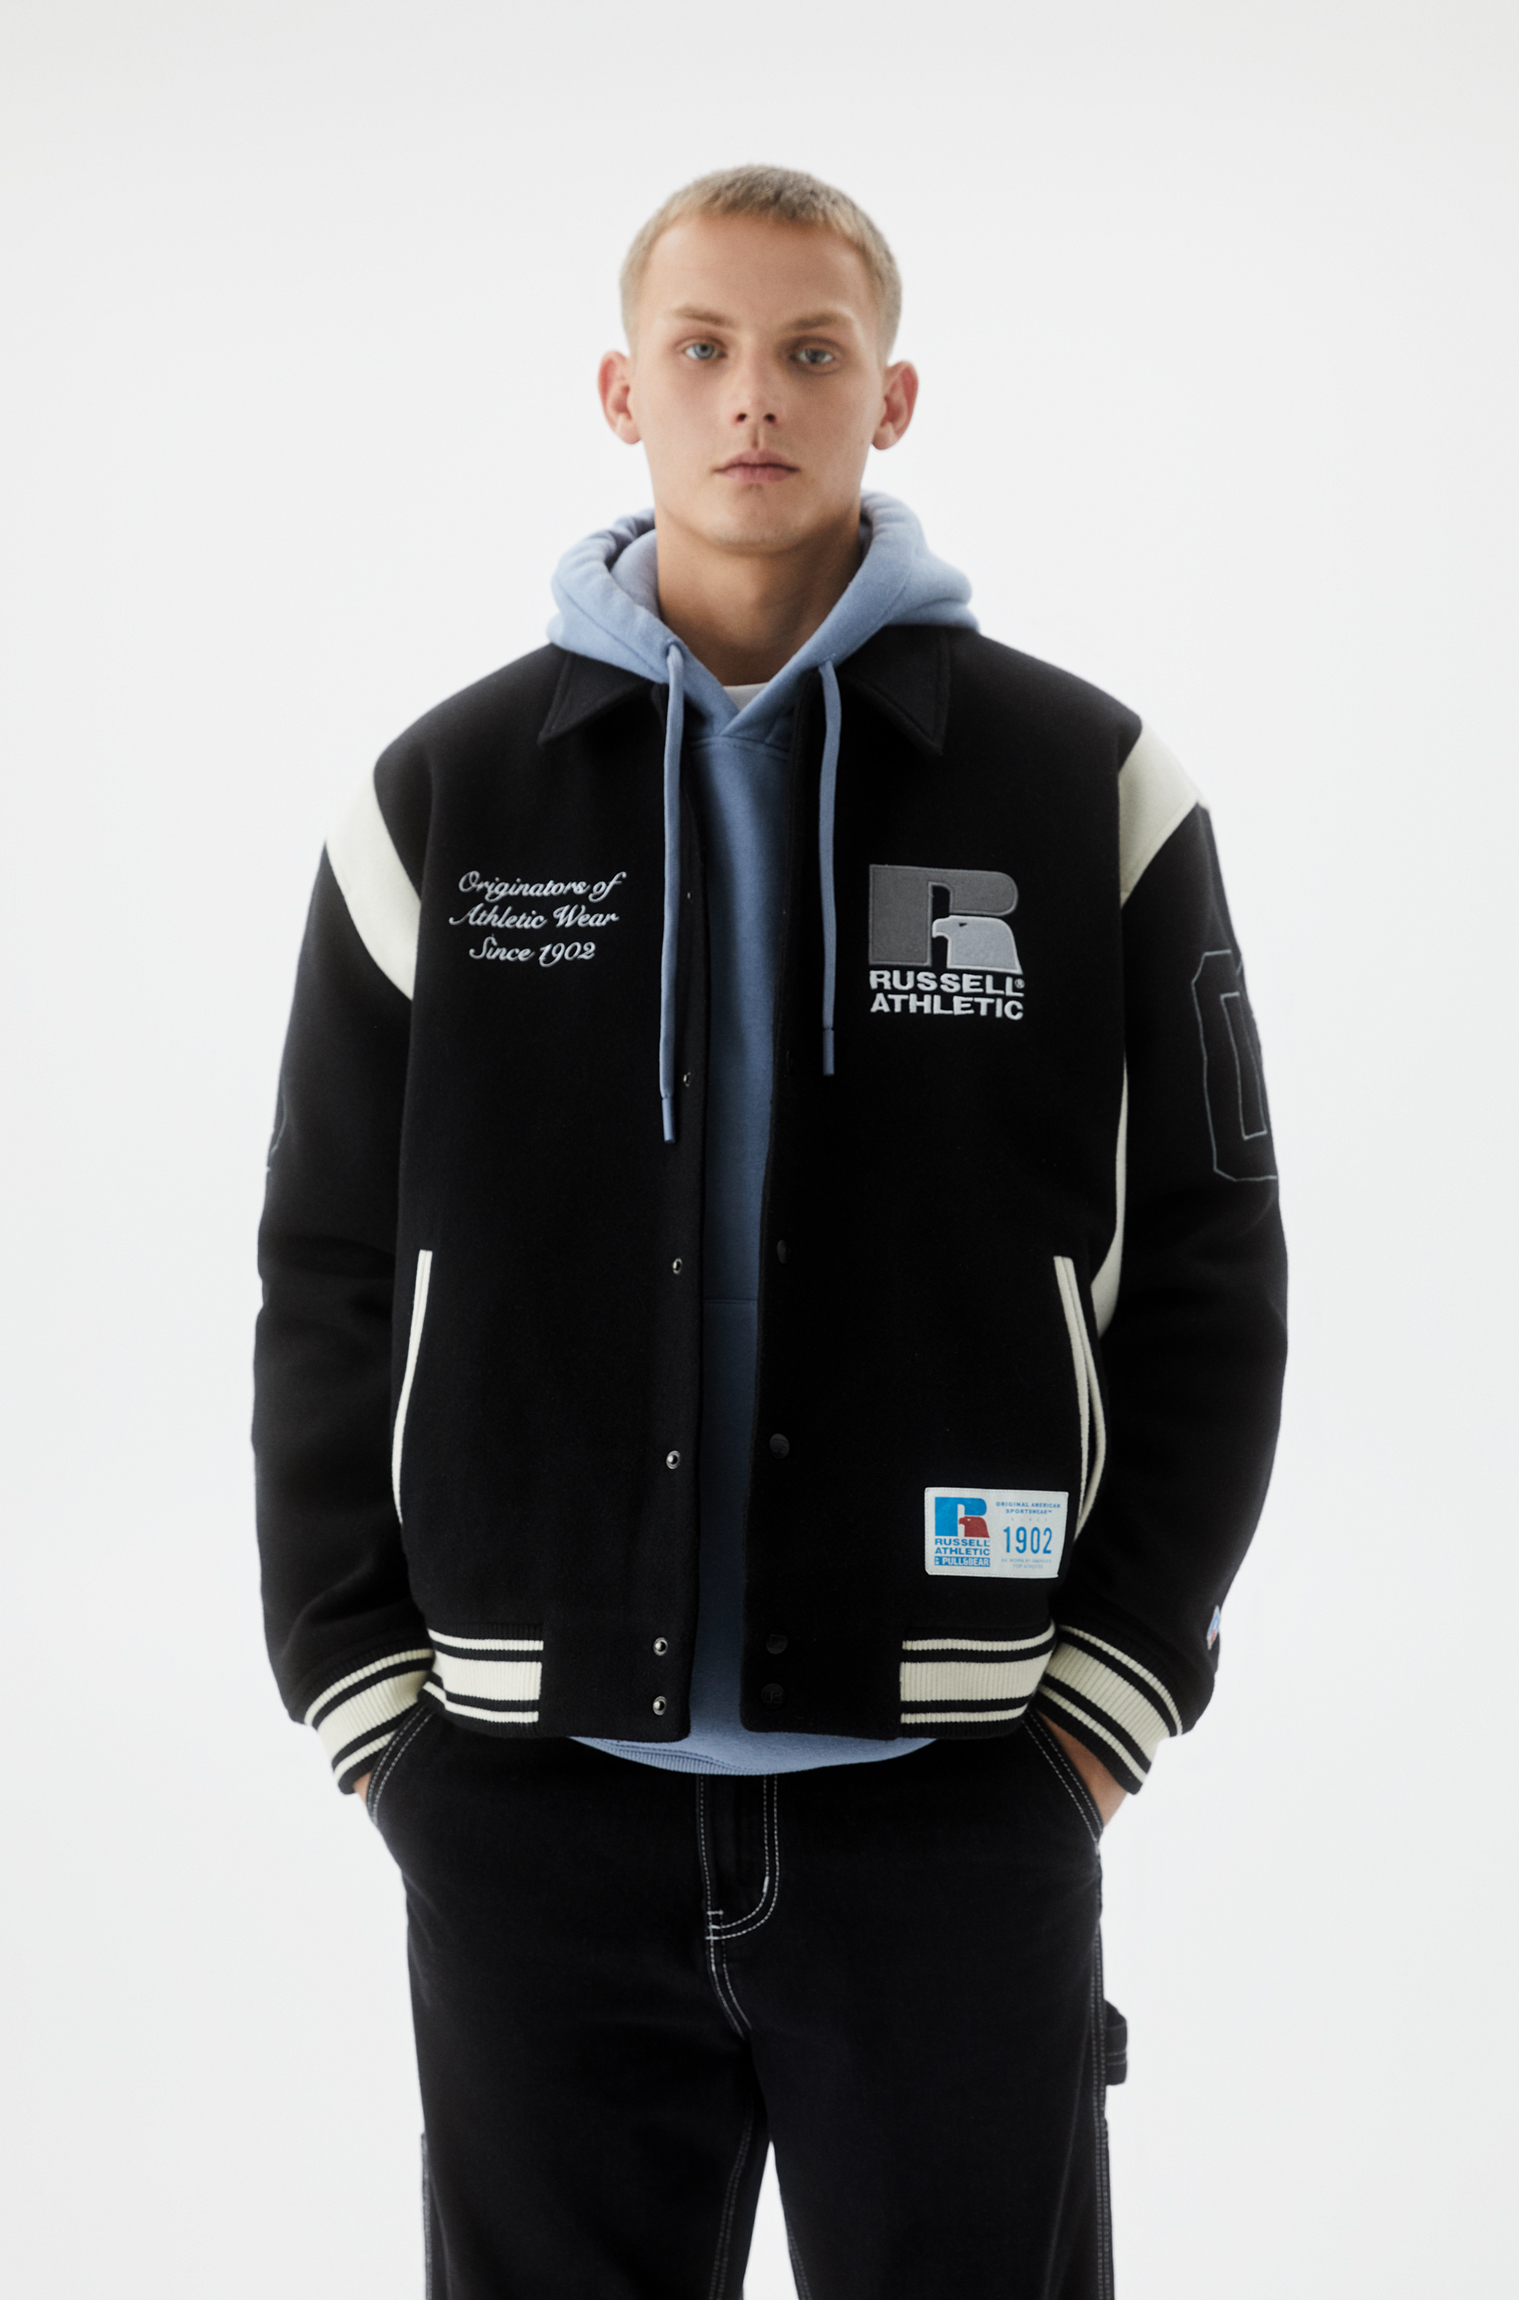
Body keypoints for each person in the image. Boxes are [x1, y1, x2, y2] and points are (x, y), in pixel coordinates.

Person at [253, 164, 1286, 2300]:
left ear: (888, 397)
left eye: (811, 351)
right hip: (529, 1797)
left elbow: (1210, 1263)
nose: (754, 397)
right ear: (619, 388)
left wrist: (1099, 1708)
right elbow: (329, 1269)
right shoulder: (439, 801)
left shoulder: (1082, 784)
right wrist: (368, 1697)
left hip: (953, 1788)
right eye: (704, 349)